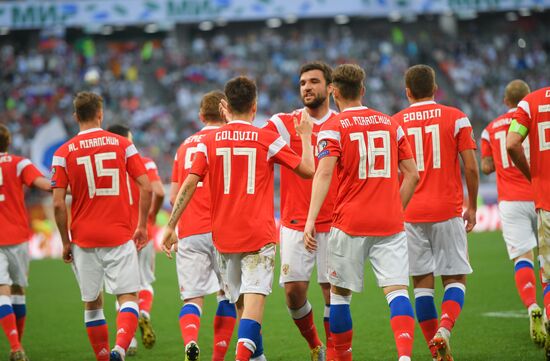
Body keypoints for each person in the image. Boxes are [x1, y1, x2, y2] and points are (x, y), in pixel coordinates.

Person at [162, 76, 315, 361]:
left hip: (223, 238)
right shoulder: (267, 138)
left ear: (225, 107)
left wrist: (171, 225)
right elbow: (308, 169)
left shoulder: (208, 141)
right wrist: (305, 136)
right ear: (255, 106)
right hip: (258, 236)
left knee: (241, 305)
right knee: (254, 306)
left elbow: (188, 183)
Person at [304, 64, 420, 361]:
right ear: (363, 91)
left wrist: (310, 220)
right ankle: (405, 356)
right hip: (389, 222)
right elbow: (413, 175)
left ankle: (341, 356)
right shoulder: (390, 123)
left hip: (349, 222)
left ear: (334, 91)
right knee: (397, 293)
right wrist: (396, 207)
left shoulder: (333, 127)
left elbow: (324, 174)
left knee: (340, 296)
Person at [51, 92, 152, 361]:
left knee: (93, 303)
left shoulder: (62, 153)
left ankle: (104, 356)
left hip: (84, 238)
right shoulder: (123, 145)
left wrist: (65, 241)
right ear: (100, 114)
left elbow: (59, 204)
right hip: (119, 234)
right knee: (128, 297)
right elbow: (146, 186)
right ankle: (120, 349)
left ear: (75, 116)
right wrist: (141, 225)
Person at [392, 64, 479, 361]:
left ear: (407, 92)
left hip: (410, 213)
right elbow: (470, 165)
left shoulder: (396, 123)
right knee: (455, 279)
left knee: (422, 284)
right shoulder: (456, 117)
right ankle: (444, 329)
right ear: (435, 88)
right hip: (447, 209)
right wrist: (473, 205)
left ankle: (435, 352)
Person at [263, 61, 338, 360]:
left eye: (314, 82)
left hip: (333, 222)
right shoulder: (283, 123)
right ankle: (314, 344)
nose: (307, 87)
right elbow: (254, 138)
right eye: (303, 83)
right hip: (295, 222)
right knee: (293, 293)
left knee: (333, 292)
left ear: (330, 88)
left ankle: (334, 352)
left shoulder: (340, 124)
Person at [169, 91, 237, 361]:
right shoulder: (228, 139)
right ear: (225, 111)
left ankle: (190, 342)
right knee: (228, 297)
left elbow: (176, 194)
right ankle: (218, 357)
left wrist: (172, 228)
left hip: (190, 229)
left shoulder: (184, 146)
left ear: (200, 115)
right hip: (224, 229)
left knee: (193, 299)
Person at [480, 80, 545, 346]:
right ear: (527, 98)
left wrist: (499, 159)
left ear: (506, 101)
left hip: (510, 201)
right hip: (540, 194)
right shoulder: (536, 115)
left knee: (522, 257)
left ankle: (531, 306)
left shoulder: (489, 129)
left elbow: (485, 167)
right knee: (546, 258)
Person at [106, 124, 165, 356]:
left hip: (117, 232)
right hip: (143, 231)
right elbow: (159, 191)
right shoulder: (145, 162)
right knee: (143, 281)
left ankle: (127, 341)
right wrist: (150, 216)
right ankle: (144, 314)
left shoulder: (107, 164)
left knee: (121, 288)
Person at [0, 124, 51, 361]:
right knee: (19, 290)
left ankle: (15, 346)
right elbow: (45, 185)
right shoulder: (20, 162)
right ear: (8, 142)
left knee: (2, 292)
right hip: (17, 236)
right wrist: (72, 189)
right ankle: (17, 346)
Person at [506, 85, 550, 360]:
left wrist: (532, 174)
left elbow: (512, 143)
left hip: (546, 200)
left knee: (547, 275)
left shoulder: (530, 103)